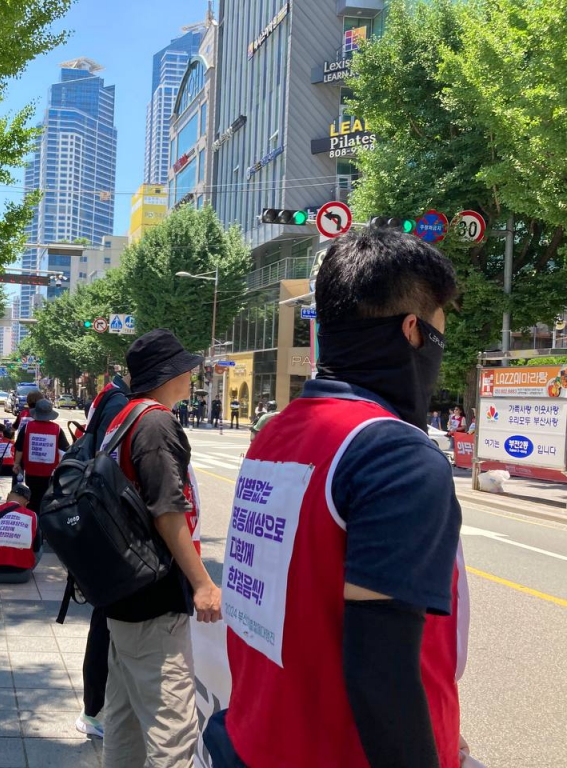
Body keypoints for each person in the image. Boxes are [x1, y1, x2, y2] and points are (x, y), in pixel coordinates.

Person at [204, 228, 466, 768]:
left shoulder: (275, 435)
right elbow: (384, 673)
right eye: (443, 326)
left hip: (259, 739)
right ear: (414, 332)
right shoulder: (395, 455)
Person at [98, 328, 222, 767]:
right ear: (170, 373)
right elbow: (168, 513)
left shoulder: (123, 418)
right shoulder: (155, 422)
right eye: (186, 367)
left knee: (125, 717)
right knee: (174, 733)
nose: (192, 374)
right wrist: (203, 583)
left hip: (123, 590)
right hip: (154, 597)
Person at [76, 370, 131, 740]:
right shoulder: (121, 405)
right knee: (108, 619)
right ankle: (95, 709)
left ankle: (98, 707)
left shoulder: (109, 398)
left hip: (104, 525)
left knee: (106, 618)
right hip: (115, 531)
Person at [13, 399, 69, 514]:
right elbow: (64, 452)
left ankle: (32, 519)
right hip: (49, 473)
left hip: (31, 472)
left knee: (32, 497)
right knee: (45, 497)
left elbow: (19, 448)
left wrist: (17, 464)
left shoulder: (27, 427)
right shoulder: (57, 429)